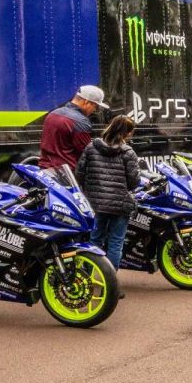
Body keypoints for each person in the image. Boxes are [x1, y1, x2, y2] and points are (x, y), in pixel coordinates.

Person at [76, 115, 140, 278]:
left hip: (95, 204)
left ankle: (87, 278)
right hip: (120, 205)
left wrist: (89, 191)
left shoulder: (91, 147)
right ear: (127, 133)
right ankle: (110, 283)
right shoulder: (128, 152)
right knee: (115, 244)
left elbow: (80, 174)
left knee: (94, 241)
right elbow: (133, 182)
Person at [39, 84, 108, 170]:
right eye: (95, 106)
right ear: (86, 102)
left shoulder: (52, 113)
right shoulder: (81, 121)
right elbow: (85, 153)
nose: (95, 110)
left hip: (45, 170)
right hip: (67, 175)